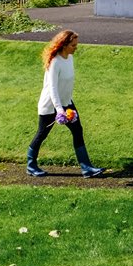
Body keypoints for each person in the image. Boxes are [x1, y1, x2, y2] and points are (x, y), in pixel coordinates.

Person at [26, 29, 105, 178]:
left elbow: (67, 84)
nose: (76, 47)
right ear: (64, 45)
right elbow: (53, 89)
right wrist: (59, 110)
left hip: (66, 102)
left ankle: (86, 168)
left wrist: (67, 104)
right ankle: (31, 166)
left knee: (77, 130)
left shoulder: (69, 58)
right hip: (50, 105)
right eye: (73, 45)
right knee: (42, 134)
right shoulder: (55, 62)